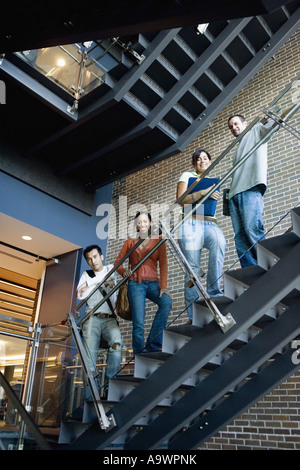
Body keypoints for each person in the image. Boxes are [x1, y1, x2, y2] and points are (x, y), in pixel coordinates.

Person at [177, 148, 226, 322]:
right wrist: (202, 193)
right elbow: (181, 199)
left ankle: (214, 291)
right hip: (190, 221)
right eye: (198, 159)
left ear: (210, 161)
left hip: (209, 222)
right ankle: (193, 314)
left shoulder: (214, 180)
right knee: (193, 268)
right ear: (194, 163)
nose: (202, 161)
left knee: (219, 242)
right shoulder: (187, 175)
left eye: (205, 158)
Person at [114, 211, 172, 354]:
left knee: (166, 302)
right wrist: (123, 272)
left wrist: (163, 286)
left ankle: (154, 343)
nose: (142, 224)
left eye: (145, 221)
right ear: (136, 226)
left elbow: (163, 264)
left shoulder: (158, 241)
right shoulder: (130, 242)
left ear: (150, 223)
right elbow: (117, 263)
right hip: (135, 284)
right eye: (139, 222)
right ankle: (139, 353)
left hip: (153, 283)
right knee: (138, 323)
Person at [227, 114, 275, 267]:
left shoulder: (255, 130)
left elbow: (277, 121)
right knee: (240, 238)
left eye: (236, 124)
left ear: (245, 123)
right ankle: (250, 271)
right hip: (234, 193)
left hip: (250, 189)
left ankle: (269, 265)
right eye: (231, 127)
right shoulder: (237, 150)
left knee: (252, 229)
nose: (234, 128)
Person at [77, 245, 122, 399]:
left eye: (95, 257)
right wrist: (100, 283)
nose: (93, 261)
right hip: (91, 319)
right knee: (89, 360)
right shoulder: (86, 274)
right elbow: (80, 295)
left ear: (101, 257)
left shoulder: (111, 269)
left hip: (110, 318)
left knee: (117, 344)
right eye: (89, 259)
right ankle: (91, 398)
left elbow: (118, 283)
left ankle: (111, 388)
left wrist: (90, 285)